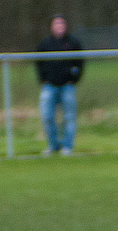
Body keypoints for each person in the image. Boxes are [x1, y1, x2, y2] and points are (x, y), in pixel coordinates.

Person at [36, 15, 84, 156]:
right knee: (47, 116)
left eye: (61, 24)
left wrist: (74, 79)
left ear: (65, 26)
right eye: (56, 24)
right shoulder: (45, 44)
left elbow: (80, 63)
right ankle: (53, 145)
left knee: (69, 117)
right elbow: (38, 63)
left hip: (67, 86)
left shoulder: (73, 43)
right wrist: (43, 79)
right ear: (52, 27)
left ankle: (67, 146)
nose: (59, 27)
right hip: (49, 86)